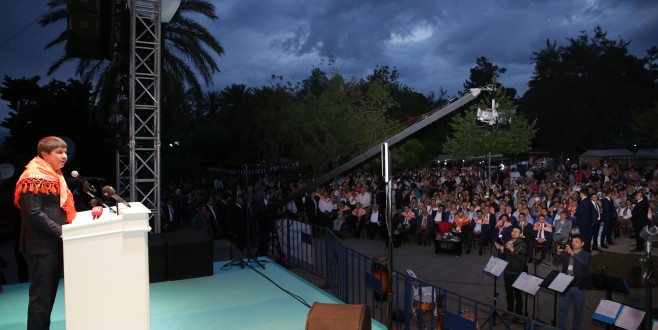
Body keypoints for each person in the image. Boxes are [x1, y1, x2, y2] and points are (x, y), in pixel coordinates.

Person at [14, 136, 77, 329]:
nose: (64, 156)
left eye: (65, 152)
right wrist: (61, 232)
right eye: (58, 152)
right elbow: (33, 213)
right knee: (41, 299)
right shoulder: (32, 177)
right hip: (41, 247)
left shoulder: (53, 174)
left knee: (47, 297)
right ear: (44, 154)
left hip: (52, 244)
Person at [556, 234, 592, 330]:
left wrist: (572, 254)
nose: (573, 243)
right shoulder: (566, 253)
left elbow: (584, 263)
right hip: (565, 285)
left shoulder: (587, 254)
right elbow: (555, 261)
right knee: (562, 310)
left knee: (578, 311)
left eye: (576, 242)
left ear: (582, 244)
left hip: (579, 287)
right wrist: (558, 253)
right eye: (572, 241)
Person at [496, 226, 527, 321]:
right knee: (508, 293)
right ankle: (509, 309)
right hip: (507, 270)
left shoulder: (522, 245)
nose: (514, 233)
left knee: (517, 294)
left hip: (516, 272)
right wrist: (501, 251)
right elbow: (504, 255)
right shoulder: (508, 241)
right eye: (513, 231)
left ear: (520, 234)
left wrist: (512, 250)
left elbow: (522, 259)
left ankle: (518, 314)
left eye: (516, 232)